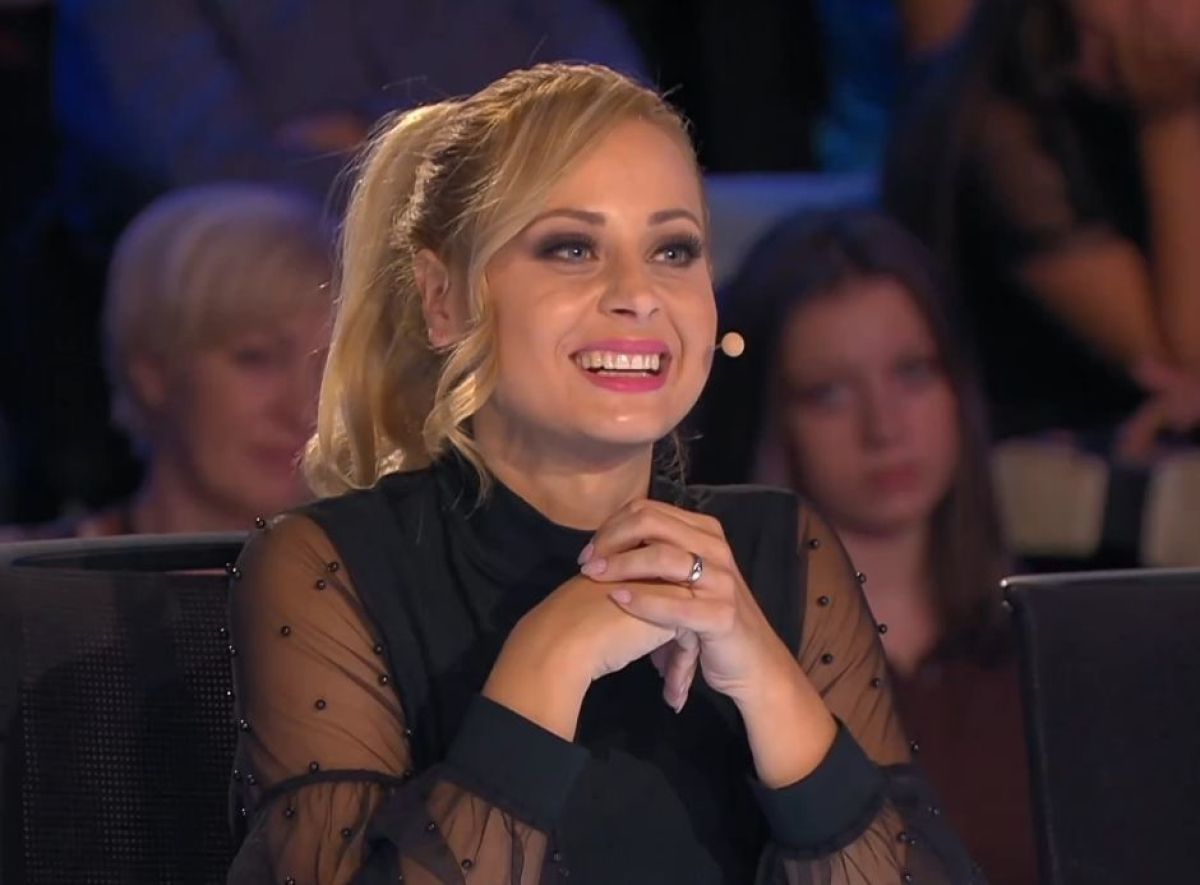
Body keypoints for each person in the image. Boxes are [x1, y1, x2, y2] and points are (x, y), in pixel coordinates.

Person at [225, 64, 982, 883]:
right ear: (443, 299)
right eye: (573, 248)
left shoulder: (780, 547)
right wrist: (551, 660)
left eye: (672, 250)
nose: (638, 295)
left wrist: (771, 685)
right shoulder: (330, 568)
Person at [690, 211, 1034, 884]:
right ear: (771, 419)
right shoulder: (725, 676)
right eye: (829, 394)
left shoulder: (1041, 648)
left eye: (913, 372)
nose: (884, 427)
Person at [885, 0, 1200, 447]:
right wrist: (1169, 119)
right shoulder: (1001, 127)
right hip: (1047, 459)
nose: (1156, 14)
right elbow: (1187, 363)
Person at [2, 184, 333, 539]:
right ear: (152, 371)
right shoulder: (23, 570)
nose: (304, 411)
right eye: (256, 357)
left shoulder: (368, 573)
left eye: (327, 367)